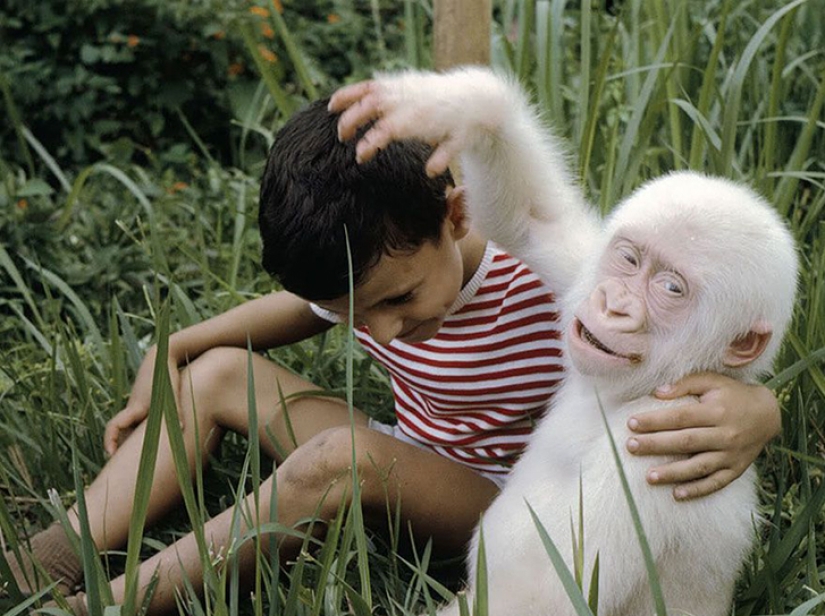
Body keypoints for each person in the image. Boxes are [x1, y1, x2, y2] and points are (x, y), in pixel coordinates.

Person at [3, 98, 780, 615]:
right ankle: (51, 558)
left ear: (458, 213)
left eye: (398, 302)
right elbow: (294, 312)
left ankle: (108, 604)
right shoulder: (373, 266)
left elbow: (671, 347)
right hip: (412, 453)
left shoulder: (560, 274)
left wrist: (757, 406)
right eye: (352, 314)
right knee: (217, 374)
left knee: (342, 458)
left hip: (506, 501)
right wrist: (176, 346)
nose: (378, 331)